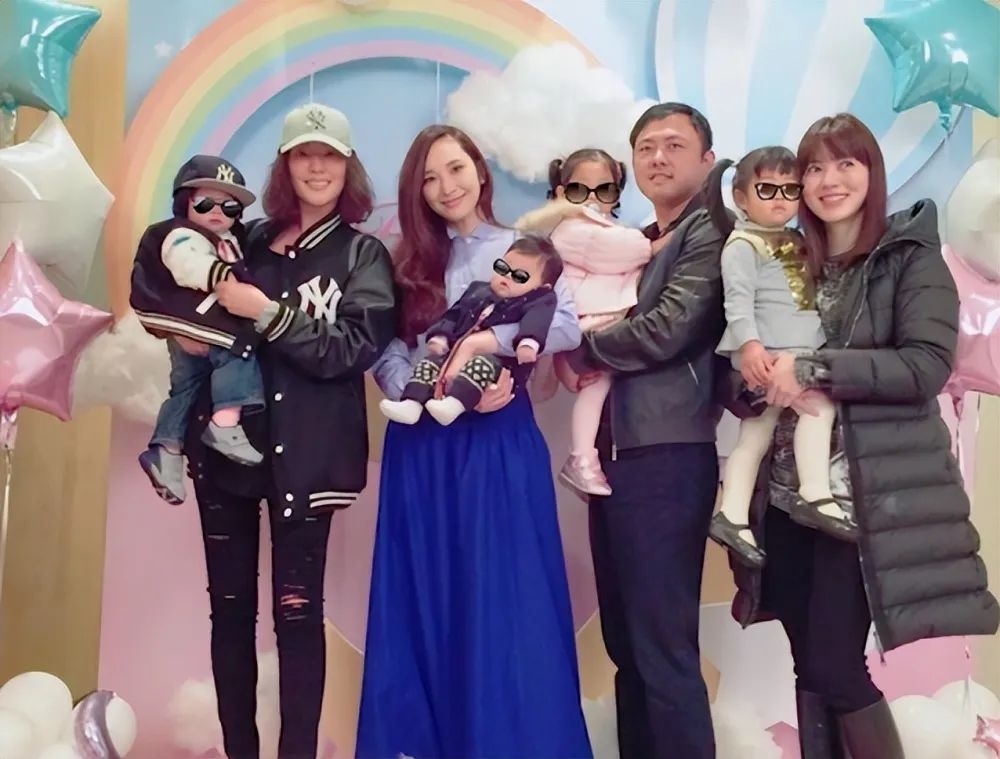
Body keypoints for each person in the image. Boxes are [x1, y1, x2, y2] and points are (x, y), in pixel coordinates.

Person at [728, 112, 1000, 759]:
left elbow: (924, 365)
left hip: (861, 500)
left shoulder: (912, 260)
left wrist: (815, 369)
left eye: (845, 163)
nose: (829, 180)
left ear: (871, 172)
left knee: (836, 665)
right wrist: (753, 378)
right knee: (809, 664)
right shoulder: (789, 261)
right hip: (786, 495)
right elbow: (751, 358)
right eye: (814, 167)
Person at [357, 124, 591, 759]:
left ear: (480, 172)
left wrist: (495, 357)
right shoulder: (402, 263)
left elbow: (565, 324)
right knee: (427, 598)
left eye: (455, 169)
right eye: (429, 178)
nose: (445, 187)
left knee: (506, 600)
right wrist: (420, 388)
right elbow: (384, 347)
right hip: (422, 448)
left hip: (497, 444)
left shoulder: (523, 248)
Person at [177, 103, 396, 759]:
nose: (317, 167)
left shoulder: (362, 253)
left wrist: (268, 313)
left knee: (298, 614)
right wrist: (182, 329)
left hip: (308, 458)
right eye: (304, 154)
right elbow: (184, 296)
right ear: (285, 164)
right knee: (230, 614)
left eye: (330, 155)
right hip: (225, 452)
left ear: (348, 166)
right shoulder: (243, 241)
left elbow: (351, 349)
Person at [564, 102, 725, 758]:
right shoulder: (637, 240)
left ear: (707, 161)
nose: (658, 157)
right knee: (627, 644)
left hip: (666, 453)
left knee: (662, 647)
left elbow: (669, 329)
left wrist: (581, 346)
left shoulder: (711, 231)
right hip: (615, 454)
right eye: (647, 147)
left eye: (674, 145)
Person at [706, 146, 854, 571]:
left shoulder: (794, 239)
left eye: (790, 190)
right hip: (769, 352)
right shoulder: (743, 243)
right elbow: (737, 301)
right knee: (818, 407)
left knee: (756, 433)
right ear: (741, 197)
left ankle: (731, 514)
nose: (780, 199)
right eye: (767, 189)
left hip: (791, 349)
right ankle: (815, 492)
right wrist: (750, 346)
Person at [517, 148, 654, 497]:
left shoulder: (607, 230)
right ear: (562, 194)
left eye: (604, 190)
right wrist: (664, 241)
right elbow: (634, 251)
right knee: (596, 386)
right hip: (584, 325)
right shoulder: (570, 230)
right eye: (580, 190)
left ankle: (584, 457)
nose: (592, 199)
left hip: (601, 321)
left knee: (600, 387)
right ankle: (580, 457)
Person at [131, 155, 265, 505]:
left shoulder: (229, 238)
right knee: (238, 350)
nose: (217, 212)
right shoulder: (183, 235)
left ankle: (167, 449)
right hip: (195, 320)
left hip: (193, 323)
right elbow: (188, 264)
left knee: (185, 387)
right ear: (184, 203)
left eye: (230, 207)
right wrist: (224, 277)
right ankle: (226, 421)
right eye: (206, 203)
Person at [379, 235, 562, 426]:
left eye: (520, 276)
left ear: (542, 288)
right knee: (429, 363)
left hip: (499, 366)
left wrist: (528, 342)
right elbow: (454, 314)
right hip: (452, 357)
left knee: (481, 365)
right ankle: (411, 403)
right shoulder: (478, 290)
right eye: (503, 268)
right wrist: (441, 335)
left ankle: (454, 404)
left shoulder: (539, 302)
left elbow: (537, 322)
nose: (507, 277)